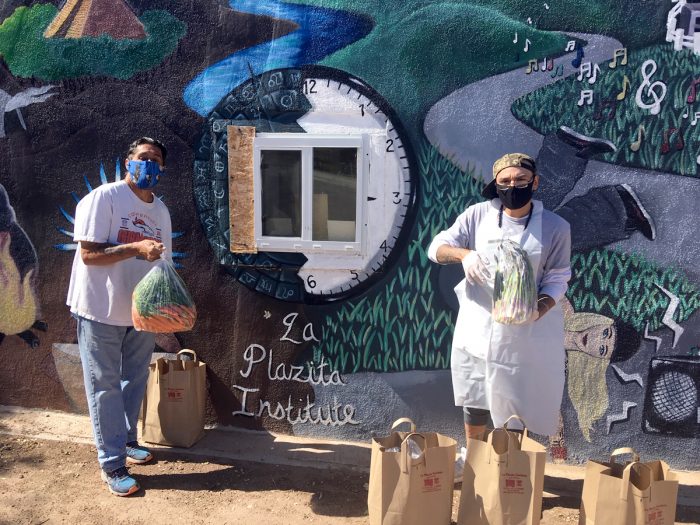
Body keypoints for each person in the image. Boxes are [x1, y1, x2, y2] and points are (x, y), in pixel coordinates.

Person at [427, 153, 571, 478]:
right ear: (495, 185)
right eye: (505, 182)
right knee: (476, 396)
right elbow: (436, 247)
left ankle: (508, 466)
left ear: (535, 182)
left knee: (517, 396)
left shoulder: (555, 227)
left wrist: (541, 308)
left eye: (521, 180)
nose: (513, 186)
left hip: (525, 331)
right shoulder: (478, 215)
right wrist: (464, 255)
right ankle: (474, 462)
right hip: (479, 325)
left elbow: (559, 276)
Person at [66, 137, 172, 496]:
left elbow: (162, 264)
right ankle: (111, 464)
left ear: (163, 168)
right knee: (105, 387)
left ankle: (126, 441)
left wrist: (166, 304)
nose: (149, 164)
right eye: (143, 157)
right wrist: (135, 247)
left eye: (156, 159)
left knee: (133, 380)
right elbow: (89, 255)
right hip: (100, 309)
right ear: (129, 162)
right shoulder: (104, 198)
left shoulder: (161, 211)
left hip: (140, 313)